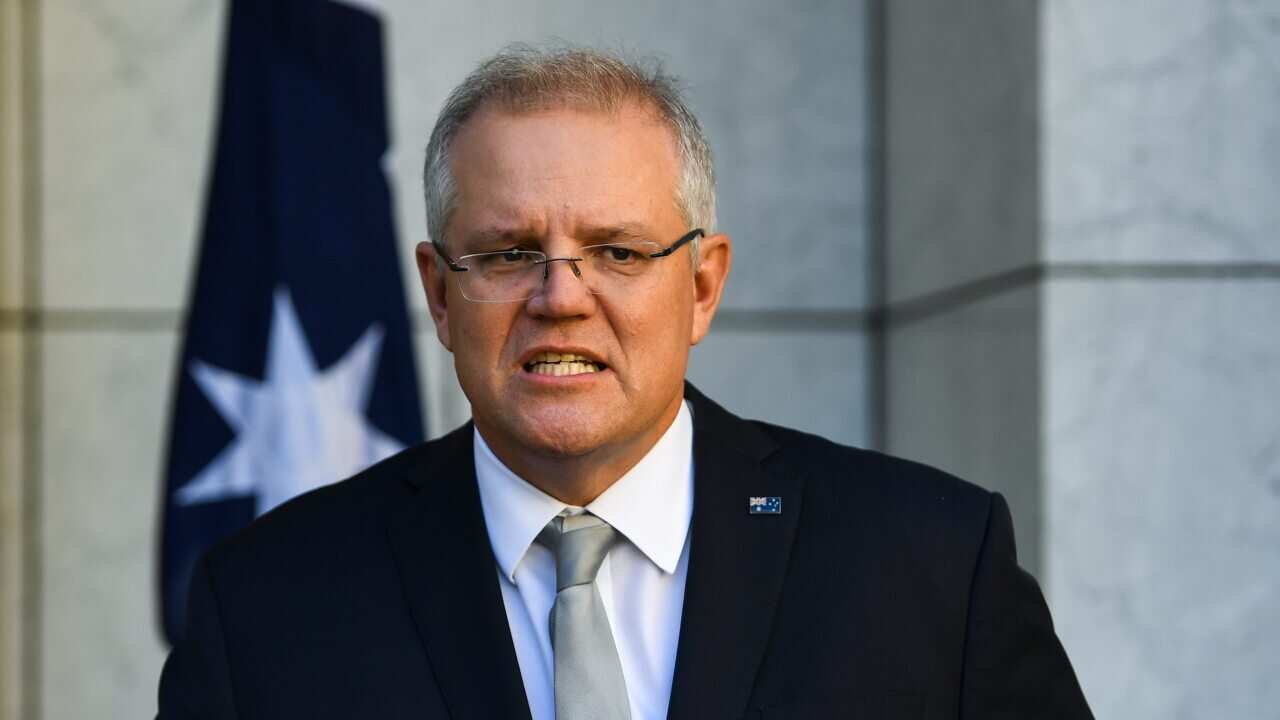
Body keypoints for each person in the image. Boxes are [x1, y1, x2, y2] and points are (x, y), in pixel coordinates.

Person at [158, 45, 1093, 719]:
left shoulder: (932, 567)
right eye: (509, 253)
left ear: (702, 286)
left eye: (618, 250)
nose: (561, 296)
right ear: (440, 295)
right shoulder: (266, 604)